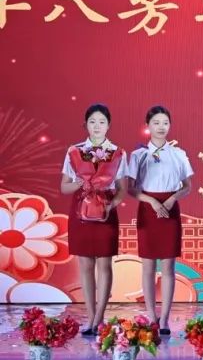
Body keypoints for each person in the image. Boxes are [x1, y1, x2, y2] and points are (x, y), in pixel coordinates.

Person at [59, 103, 129, 336]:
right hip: (80, 211)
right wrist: (79, 183)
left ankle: (99, 317)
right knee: (86, 265)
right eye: (92, 122)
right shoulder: (74, 151)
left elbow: (122, 189)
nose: (97, 126)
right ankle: (91, 316)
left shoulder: (118, 153)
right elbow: (64, 187)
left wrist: (110, 205)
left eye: (101, 122)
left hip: (105, 212)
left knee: (105, 265)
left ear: (108, 125)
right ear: (85, 125)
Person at [128, 106, 193, 336]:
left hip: (170, 209)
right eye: (156, 122)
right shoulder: (138, 155)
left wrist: (172, 199)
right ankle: (151, 316)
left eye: (165, 122)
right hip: (148, 209)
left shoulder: (178, 154)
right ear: (147, 126)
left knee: (168, 267)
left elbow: (187, 186)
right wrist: (152, 202)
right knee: (147, 267)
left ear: (170, 125)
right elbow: (131, 189)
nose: (161, 127)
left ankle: (164, 319)